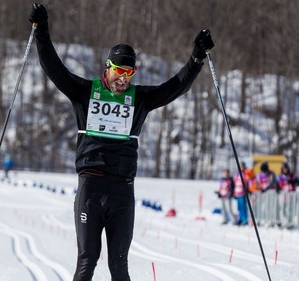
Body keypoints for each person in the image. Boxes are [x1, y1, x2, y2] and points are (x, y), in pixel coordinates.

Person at [29, 4, 214, 281]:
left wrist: (196, 59)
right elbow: (54, 68)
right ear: (108, 67)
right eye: (119, 70)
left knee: (119, 265)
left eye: (130, 72)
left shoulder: (139, 99)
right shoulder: (85, 93)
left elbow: (176, 86)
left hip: (122, 192)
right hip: (90, 188)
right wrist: (41, 31)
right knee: (87, 261)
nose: (123, 78)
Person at [255, 161, 279, 226]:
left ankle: (272, 220)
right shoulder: (259, 175)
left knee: (272, 207)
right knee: (264, 207)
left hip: (271, 192)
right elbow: (257, 182)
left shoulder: (271, 173)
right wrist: (261, 188)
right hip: (263, 193)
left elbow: (272, 182)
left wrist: (266, 188)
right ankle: (265, 220)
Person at [277, 162, 298, 228]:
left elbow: (297, 182)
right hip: (283, 195)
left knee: (290, 209)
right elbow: (277, 185)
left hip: (291, 195)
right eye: (283, 168)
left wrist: (292, 182)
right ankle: (283, 221)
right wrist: (278, 189)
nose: (285, 170)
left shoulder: (292, 175)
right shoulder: (280, 176)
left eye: (286, 168)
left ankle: (289, 222)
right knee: (282, 208)